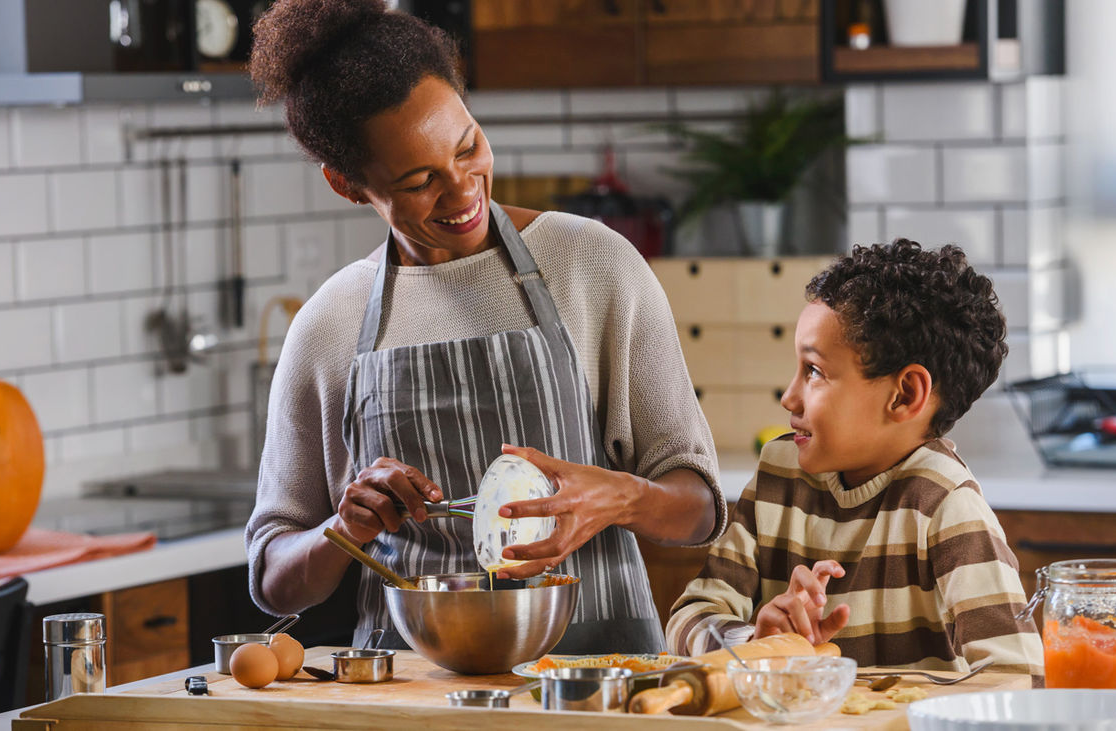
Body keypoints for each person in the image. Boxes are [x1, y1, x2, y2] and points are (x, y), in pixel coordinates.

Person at [244, 0, 725, 653]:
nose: (464, 189)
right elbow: (273, 578)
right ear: (348, 184)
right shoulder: (331, 325)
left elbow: (700, 506)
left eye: (468, 145)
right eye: (419, 181)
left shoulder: (591, 263)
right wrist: (343, 528)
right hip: (408, 698)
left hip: (591, 689)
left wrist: (619, 498)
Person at [666, 240, 1045, 683]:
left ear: (905, 395)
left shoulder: (944, 506)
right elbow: (688, 617)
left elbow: (1018, 677)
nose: (789, 397)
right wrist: (755, 642)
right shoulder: (780, 473)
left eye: (814, 371)